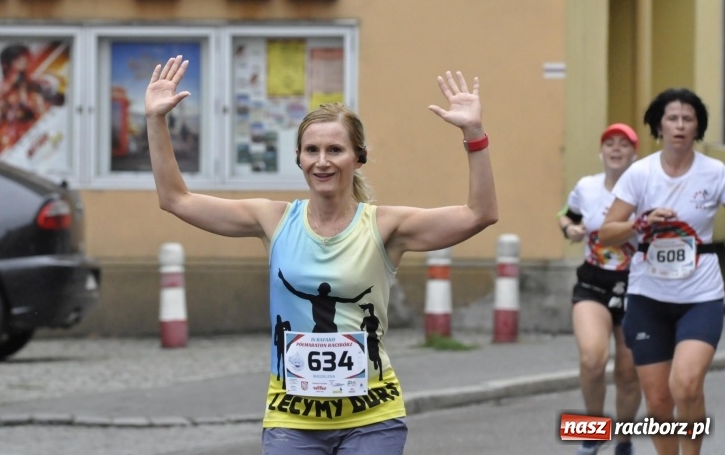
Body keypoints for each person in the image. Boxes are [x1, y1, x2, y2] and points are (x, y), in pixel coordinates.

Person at [144, 55, 498, 454]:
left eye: (335, 149)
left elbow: (480, 214)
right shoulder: (272, 220)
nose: (322, 161)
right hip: (291, 422)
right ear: (299, 158)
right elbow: (175, 198)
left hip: (372, 420)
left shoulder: (385, 226)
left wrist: (474, 134)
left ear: (357, 158)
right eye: (311, 150)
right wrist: (156, 120)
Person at [599, 88, 725, 455]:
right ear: (659, 125)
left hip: (701, 296)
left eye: (688, 118)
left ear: (698, 126)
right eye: (672, 118)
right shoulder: (641, 173)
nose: (680, 125)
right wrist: (641, 223)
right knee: (657, 403)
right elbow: (607, 234)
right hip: (648, 297)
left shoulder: (715, 173)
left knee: (685, 385)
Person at [558, 123, 642, 455]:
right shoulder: (586, 187)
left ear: (634, 153)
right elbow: (566, 216)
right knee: (593, 359)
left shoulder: (646, 188)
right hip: (593, 282)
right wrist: (571, 229)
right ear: (601, 151)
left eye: (624, 144)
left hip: (636, 286)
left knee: (628, 370)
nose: (616, 149)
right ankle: (593, 433)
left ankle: (623, 440)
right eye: (610, 143)